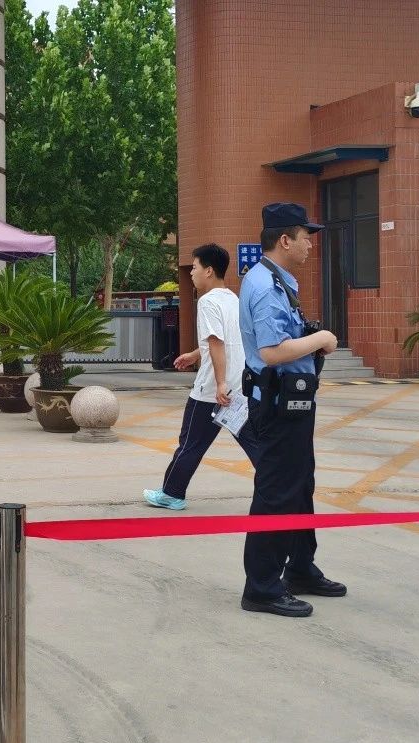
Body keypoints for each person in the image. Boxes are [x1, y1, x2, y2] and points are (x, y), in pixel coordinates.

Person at [238, 202, 344, 618]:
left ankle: (299, 567)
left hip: (293, 403)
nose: (310, 245)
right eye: (305, 237)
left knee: (299, 487)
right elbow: (271, 351)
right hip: (278, 407)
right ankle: (262, 587)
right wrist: (322, 339)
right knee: (277, 492)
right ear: (285, 240)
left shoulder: (277, 279)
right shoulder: (266, 286)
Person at [144, 244, 260, 510]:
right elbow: (227, 340)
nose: (191, 273)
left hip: (211, 391)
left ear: (208, 271)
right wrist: (195, 355)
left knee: (190, 443)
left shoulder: (207, 302)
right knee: (253, 443)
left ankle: (172, 493)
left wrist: (219, 383)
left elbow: (217, 342)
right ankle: (279, 488)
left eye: (194, 267)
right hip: (238, 387)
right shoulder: (233, 300)